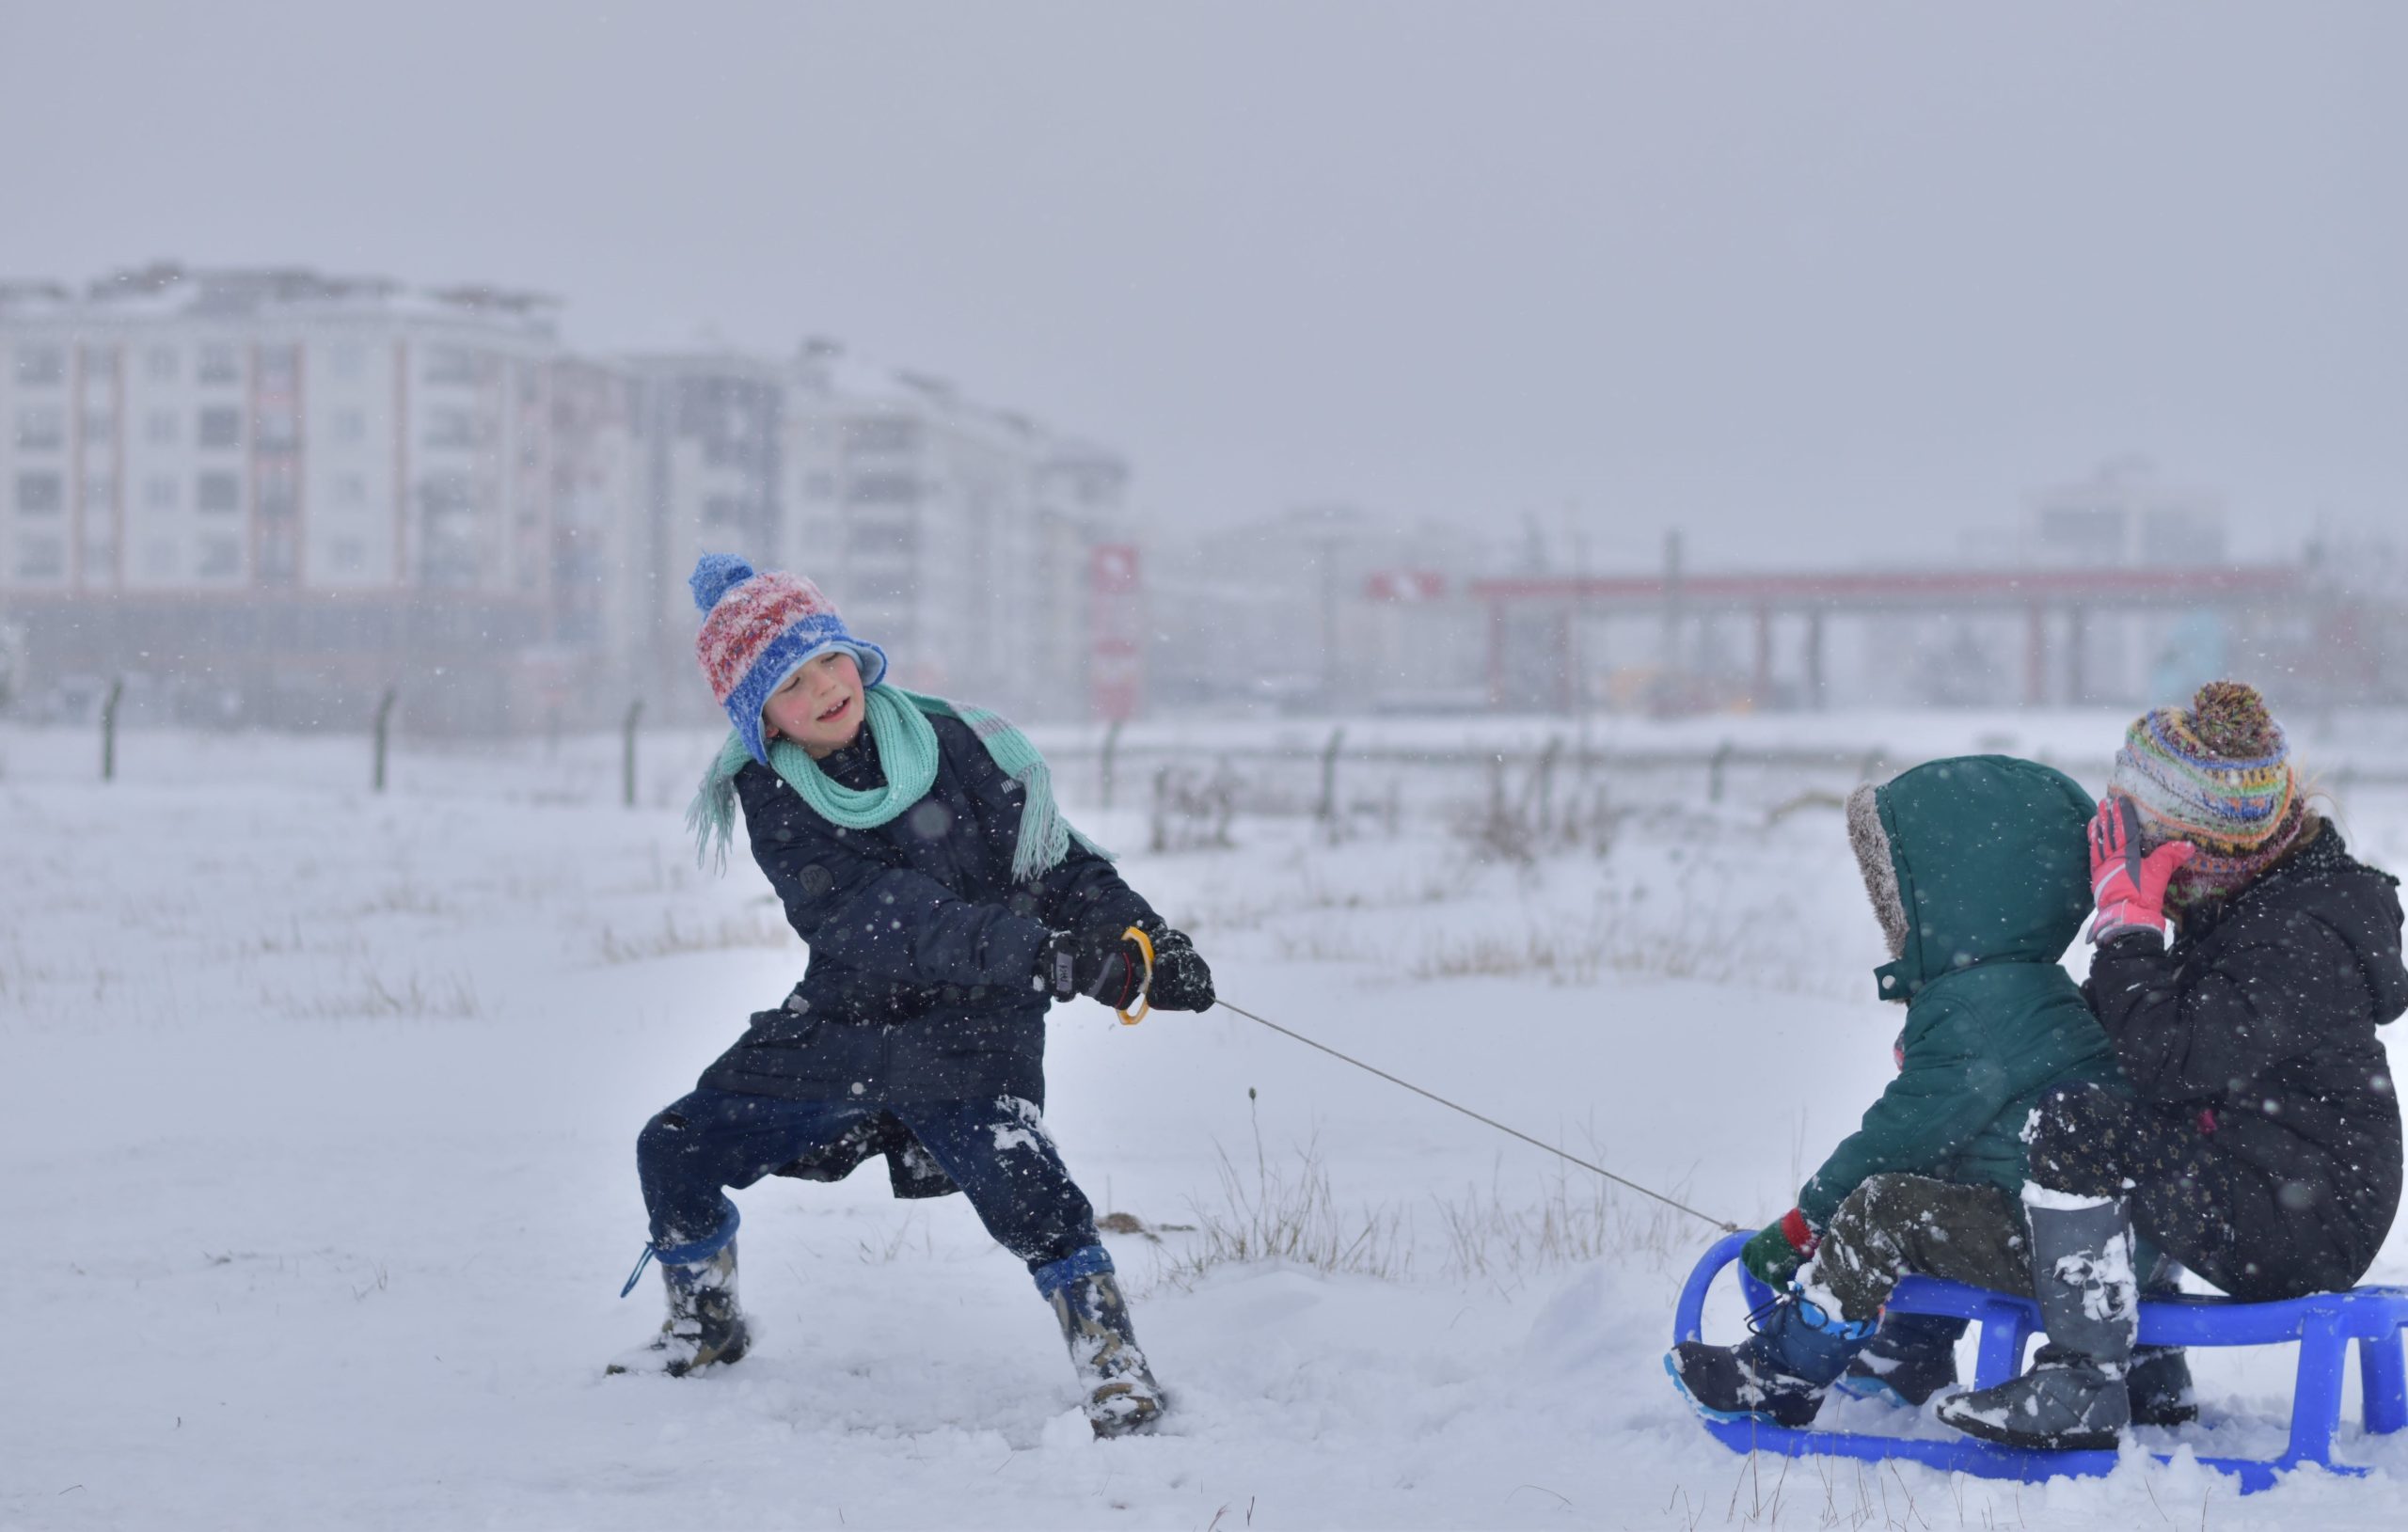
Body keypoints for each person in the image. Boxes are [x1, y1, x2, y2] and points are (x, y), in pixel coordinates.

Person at [609, 554, 1216, 1439]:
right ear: (756, 717)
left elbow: (1056, 861)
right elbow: (880, 917)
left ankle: (1108, 1352)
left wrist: (1144, 941)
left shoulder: (957, 743)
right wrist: (1046, 957)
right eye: (789, 683)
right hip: (845, 1020)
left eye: (829, 659)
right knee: (674, 1145)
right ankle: (705, 1322)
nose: (823, 688)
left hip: (974, 1023)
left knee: (1024, 1180)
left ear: (858, 653)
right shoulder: (770, 787)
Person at [1935, 681, 2405, 1450]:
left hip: (2307, 1220)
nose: (2129, 860)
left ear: (2198, 846)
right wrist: (1988, 1046)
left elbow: (2164, 1059)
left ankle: (2085, 1381)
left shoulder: (2298, 938)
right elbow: (2128, 1036)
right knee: (2120, 1116)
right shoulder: (2257, 900)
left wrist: (2127, 928)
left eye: (2140, 842)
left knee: (2081, 1129)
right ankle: (2150, 1364)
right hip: (2269, 1174)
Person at [1667, 754, 2127, 1428]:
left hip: (2063, 1249)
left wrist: (1803, 1224)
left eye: (1899, 896)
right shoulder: (2025, 986)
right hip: (2096, 1238)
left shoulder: (1979, 1004)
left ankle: (1785, 1372)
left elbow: (1899, 1135)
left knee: (1888, 1205)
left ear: (1956, 896)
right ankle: (1906, 1353)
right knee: (1942, 1186)